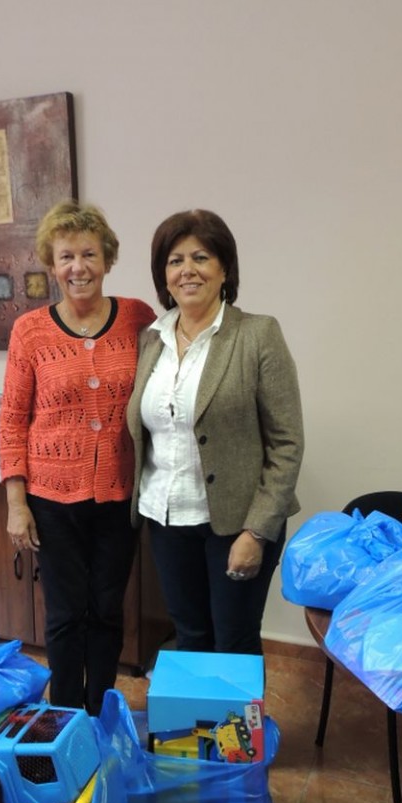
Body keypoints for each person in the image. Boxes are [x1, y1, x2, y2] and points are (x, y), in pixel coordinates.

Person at [0, 200, 156, 714]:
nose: (78, 267)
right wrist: (16, 502)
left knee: (107, 610)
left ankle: (101, 709)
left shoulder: (138, 318)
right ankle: (66, 716)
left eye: (88, 254)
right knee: (66, 614)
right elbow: (12, 418)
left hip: (119, 494)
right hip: (51, 499)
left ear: (107, 259)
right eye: (66, 256)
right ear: (51, 264)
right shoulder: (30, 331)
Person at [127, 208, 304, 656]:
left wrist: (257, 532)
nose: (187, 270)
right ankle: (201, 730)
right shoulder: (152, 340)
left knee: (234, 641)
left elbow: (286, 444)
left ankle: (240, 730)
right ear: (163, 275)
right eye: (175, 260)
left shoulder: (257, 335)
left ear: (224, 268)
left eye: (201, 257)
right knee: (190, 637)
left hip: (236, 524)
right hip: (166, 519)